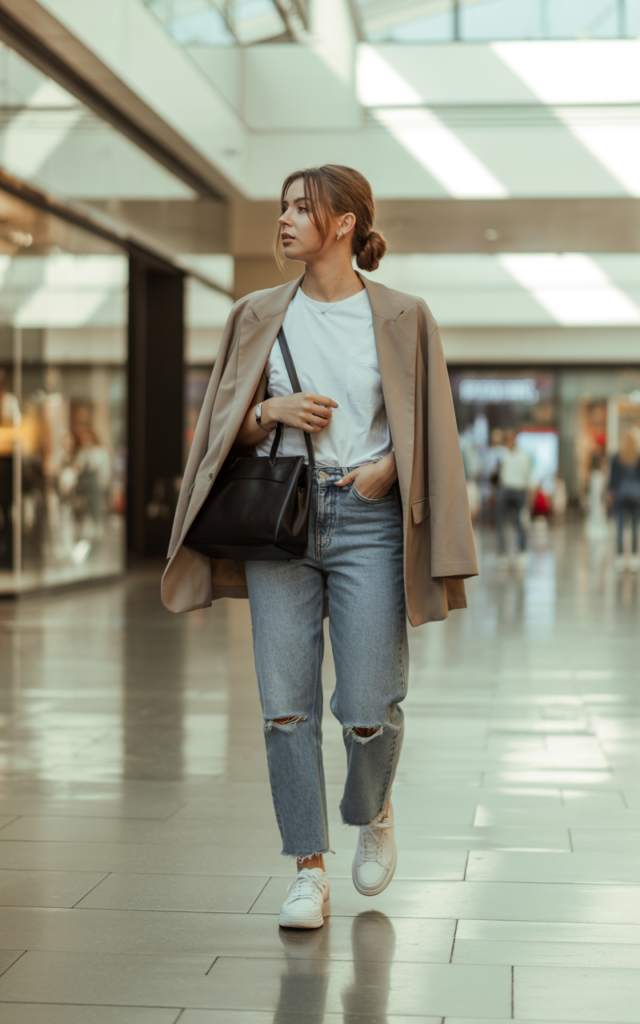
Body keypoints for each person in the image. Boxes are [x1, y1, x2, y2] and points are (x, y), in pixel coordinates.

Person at [162, 165, 477, 929]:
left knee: (369, 703)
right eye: (282, 206)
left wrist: (389, 470)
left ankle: (373, 809)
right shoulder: (256, 313)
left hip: (368, 516)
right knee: (285, 709)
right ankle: (308, 868)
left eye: (303, 207)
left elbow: (430, 419)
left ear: (344, 224)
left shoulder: (404, 315)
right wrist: (270, 410)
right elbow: (216, 433)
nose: (285, 218)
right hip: (284, 519)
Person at [496, 428, 531, 569]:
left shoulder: (524, 455)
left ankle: (521, 553)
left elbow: (528, 475)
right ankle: (502, 554)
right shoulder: (502, 455)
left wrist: (529, 495)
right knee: (501, 523)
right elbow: (497, 474)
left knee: (520, 523)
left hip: (519, 490)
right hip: (505, 490)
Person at [609, 432, 640, 573]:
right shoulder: (637, 456)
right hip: (636, 495)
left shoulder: (617, 456)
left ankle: (620, 557)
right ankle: (634, 557)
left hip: (621, 494)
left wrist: (610, 492)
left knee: (621, 525)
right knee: (634, 525)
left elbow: (613, 478)